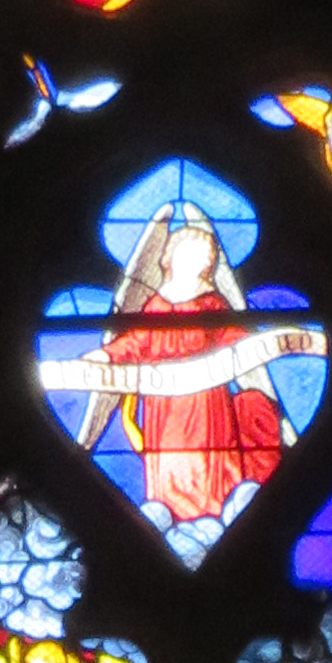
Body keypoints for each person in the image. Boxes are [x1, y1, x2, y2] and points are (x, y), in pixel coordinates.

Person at [91, 199, 292, 549]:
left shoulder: (211, 304)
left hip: (205, 402)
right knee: (169, 460)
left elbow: (235, 339)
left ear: (207, 265)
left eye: (200, 258)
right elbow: (136, 342)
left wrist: (262, 345)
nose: (193, 262)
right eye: (187, 255)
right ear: (169, 258)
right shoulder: (156, 305)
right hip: (163, 405)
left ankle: (213, 517)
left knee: (206, 459)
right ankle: (168, 512)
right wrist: (107, 355)